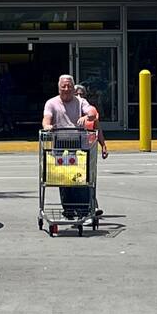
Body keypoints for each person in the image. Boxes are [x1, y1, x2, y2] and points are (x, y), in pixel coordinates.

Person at [42, 74, 95, 218]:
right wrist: (47, 126)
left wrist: (87, 116)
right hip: (59, 143)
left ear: (73, 88)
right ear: (59, 88)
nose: (66, 89)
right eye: (63, 86)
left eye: (69, 86)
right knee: (63, 178)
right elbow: (46, 118)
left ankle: (84, 210)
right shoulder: (51, 103)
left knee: (79, 177)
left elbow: (92, 112)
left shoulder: (80, 101)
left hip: (78, 143)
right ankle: (69, 210)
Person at [75, 83, 108, 158]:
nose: (79, 97)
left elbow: (98, 129)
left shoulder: (91, 110)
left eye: (81, 94)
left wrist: (103, 145)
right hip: (71, 147)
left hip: (87, 148)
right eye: (76, 94)